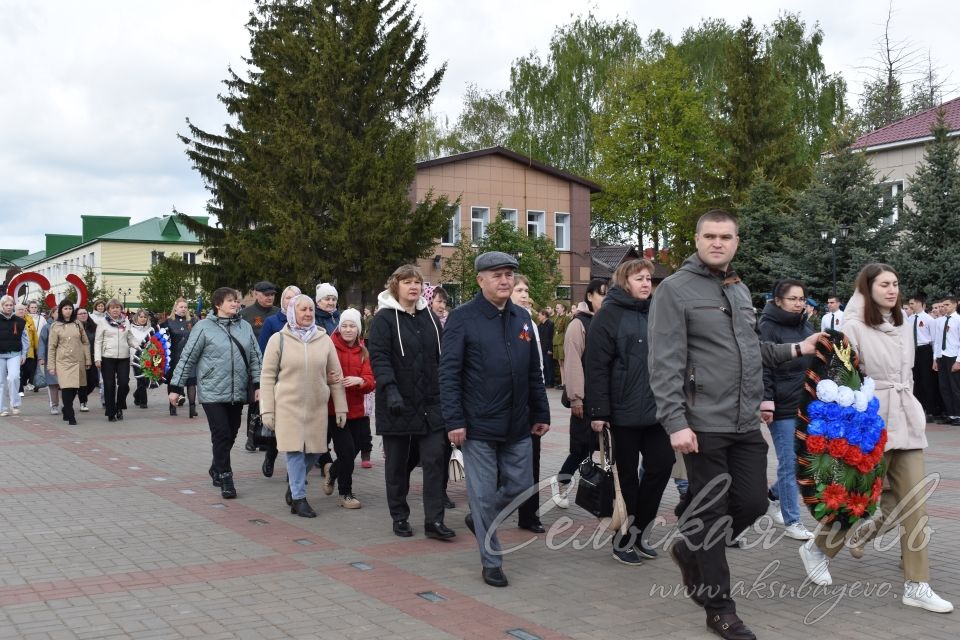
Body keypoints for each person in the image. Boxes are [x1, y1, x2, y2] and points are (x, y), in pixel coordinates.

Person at [648, 209, 822, 640]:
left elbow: (751, 350)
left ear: (736, 242)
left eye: (726, 236)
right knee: (709, 517)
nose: (718, 243)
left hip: (744, 421)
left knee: (752, 504)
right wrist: (675, 422)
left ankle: (689, 548)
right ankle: (719, 608)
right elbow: (663, 362)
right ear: (696, 239)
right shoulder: (674, 290)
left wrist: (798, 347)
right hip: (701, 422)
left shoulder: (738, 288)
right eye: (710, 236)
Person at [798, 263, 954, 614]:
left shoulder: (904, 324)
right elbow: (843, 377)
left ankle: (918, 585)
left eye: (896, 284)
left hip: (907, 419)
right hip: (872, 422)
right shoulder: (852, 326)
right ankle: (818, 548)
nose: (892, 290)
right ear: (867, 289)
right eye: (884, 284)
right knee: (858, 499)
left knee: (916, 504)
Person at [440, 251, 550, 588]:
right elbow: (448, 373)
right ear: (480, 280)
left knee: (520, 487)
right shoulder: (462, 318)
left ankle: (479, 517)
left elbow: (534, 369)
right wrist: (454, 420)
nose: (505, 280)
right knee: (485, 494)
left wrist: (542, 411)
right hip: (478, 425)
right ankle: (492, 561)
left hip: (518, 423)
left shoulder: (520, 317)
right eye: (497, 275)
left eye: (509, 275)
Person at [586, 260, 673, 564]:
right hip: (621, 414)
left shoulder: (657, 314)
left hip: (657, 411)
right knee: (627, 481)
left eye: (649, 278)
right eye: (640, 278)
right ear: (625, 282)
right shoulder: (607, 316)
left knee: (662, 467)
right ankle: (624, 540)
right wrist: (598, 411)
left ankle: (641, 530)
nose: (647, 283)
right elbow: (596, 367)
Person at [368, 264, 452, 541]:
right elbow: (379, 357)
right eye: (407, 282)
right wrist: (390, 388)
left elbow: (442, 357)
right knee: (397, 464)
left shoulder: (429, 316)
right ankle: (399, 516)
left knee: (435, 459)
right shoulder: (383, 319)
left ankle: (434, 520)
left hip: (431, 401)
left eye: (417, 282)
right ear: (396, 285)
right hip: (398, 402)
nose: (413, 286)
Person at [169, 287, 262, 500]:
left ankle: (215, 466)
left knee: (231, 433)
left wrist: (258, 384)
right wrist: (176, 388)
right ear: (218, 304)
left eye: (237, 301)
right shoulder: (203, 327)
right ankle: (226, 477)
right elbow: (188, 357)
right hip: (212, 390)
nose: (235, 304)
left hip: (237, 391)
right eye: (230, 301)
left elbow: (256, 358)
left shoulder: (245, 327)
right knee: (220, 433)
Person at [259, 294, 347, 517]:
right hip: (288, 406)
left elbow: (335, 376)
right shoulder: (278, 339)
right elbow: (267, 377)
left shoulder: (324, 339)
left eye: (310, 309)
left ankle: (294, 486)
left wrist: (340, 407)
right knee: (295, 452)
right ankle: (299, 498)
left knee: (316, 452)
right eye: (302, 310)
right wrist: (267, 410)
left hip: (317, 407)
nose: (308, 313)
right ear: (292, 312)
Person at [757, 279, 815, 541]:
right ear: (778, 300)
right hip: (781, 406)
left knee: (806, 462)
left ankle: (774, 495)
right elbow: (763, 366)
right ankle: (793, 520)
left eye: (801, 299)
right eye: (793, 299)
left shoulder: (806, 326)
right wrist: (766, 401)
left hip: (807, 405)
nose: (799, 303)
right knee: (789, 462)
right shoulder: (767, 327)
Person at [549, 278, 608, 509]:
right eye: (602, 294)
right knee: (582, 447)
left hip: (604, 398)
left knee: (603, 448)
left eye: (608, 293)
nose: (605, 298)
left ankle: (603, 494)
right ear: (590, 295)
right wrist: (576, 397)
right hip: (584, 398)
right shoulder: (578, 324)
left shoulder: (606, 322)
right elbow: (573, 361)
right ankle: (561, 482)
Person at [325, 308, 375, 509]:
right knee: (346, 452)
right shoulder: (329, 347)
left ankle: (333, 473)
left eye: (352, 326)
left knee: (353, 451)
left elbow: (372, 381)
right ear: (339, 327)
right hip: (336, 410)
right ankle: (345, 493)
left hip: (358, 411)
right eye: (344, 325)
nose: (348, 329)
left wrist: (360, 380)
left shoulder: (364, 351)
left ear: (358, 329)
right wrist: (327, 379)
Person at [511, 274, 547, 534]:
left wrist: (541, 407)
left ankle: (529, 514)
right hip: (504, 405)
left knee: (531, 463)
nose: (524, 295)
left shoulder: (530, 323)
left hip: (529, 402)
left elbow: (538, 368)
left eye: (526, 290)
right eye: (519, 290)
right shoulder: (502, 320)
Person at [255, 285, 301, 476]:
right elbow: (264, 352)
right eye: (288, 298)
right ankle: (271, 455)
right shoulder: (273, 321)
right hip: (279, 381)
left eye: (295, 298)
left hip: (300, 382)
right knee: (279, 427)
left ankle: (295, 474)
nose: (291, 301)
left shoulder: (307, 322)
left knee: (298, 428)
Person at [241, 281, 279, 453]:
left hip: (275, 366)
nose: (269, 297)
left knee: (272, 402)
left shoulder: (278, 313)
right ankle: (252, 437)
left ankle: (267, 437)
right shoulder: (245, 314)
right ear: (256, 294)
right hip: (254, 366)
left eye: (272, 294)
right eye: (266, 294)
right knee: (255, 402)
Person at [46, 299, 92, 425]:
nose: (68, 311)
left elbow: (85, 342)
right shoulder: (55, 326)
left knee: (75, 388)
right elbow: (51, 347)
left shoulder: (78, 324)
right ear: (61, 310)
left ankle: (66, 408)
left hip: (78, 360)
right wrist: (51, 366)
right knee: (66, 388)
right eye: (65, 308)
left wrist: (88, 359)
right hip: (63, 362)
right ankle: (71, 415)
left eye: (70, 308)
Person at [95, 299, 135, 422]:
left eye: (118, 307)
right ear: (108, 310)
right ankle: (111, 412)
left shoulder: (126, 321)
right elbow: (98, 341)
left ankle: (120, 406)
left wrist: (141, 346)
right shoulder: (102, 322)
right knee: (109, 385)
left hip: (123, 357)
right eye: (113, 308)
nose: (116, 310)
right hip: (108, 357)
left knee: (124, 384)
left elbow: (130, 338)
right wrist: (97, 358)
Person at [907, 294, 942, 420]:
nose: (910, 306)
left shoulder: (928, 319)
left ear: (920, 304)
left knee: (927, 381)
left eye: (912, 303)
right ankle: (919, 409)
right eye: (910, 303)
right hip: (913, 351)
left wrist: (934, 358)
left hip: (925, 350)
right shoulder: (909, 319)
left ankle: (931, 410)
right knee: (916, 380)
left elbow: (934, 340)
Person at [162, 298, 198, 418]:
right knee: (174, 381)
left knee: (191, 381)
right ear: (176, 308)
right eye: (181, 307)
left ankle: (192, 407)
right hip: (174, 355)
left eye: (185, 307)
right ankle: (172, 406)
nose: (183, 309)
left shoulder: (192, 321)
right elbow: (161, 337)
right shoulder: (168, 322)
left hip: (190, 355)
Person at [932, 296, 960, 425]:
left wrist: (958, 361)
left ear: (954, 305)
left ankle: (958, 415)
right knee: (944, 387)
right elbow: (937, 341)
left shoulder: (958, 320)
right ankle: (951, 414)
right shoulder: (940, 321)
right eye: (943, 305)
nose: (944, 307)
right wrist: (935, 359)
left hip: (953, 356)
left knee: (955, 387)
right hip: (942, 356)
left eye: (947, 305)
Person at [0, 296, 28, 417]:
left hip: (15, 354)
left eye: (11, 305)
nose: (9, 307)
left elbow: (25, 339)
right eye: (6, 305)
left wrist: (24, 354)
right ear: (2, 306)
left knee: (14, 377)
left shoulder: (19, 321)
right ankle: (2, 408)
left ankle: (15, 404)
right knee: (1, 382)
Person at [75, 308, 99, 413]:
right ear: (76, 315)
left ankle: (81, 394)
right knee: (82, 382)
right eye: (80, 314)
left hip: (92, 357)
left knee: (93, 381)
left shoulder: (93, 327)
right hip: (78, 358)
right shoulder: (73, 327)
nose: (83, 315)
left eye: (85, 313)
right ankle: (83, 402)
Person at [128, 310, 153, 409]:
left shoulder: (151, 329)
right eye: (141, 317)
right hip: (135, 357)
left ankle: (137, 395)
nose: (142, 319)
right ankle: (143, 401)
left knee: (144, 379)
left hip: (148, 357)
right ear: (136, 317)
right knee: (141, 378)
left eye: (144, 317)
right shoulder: (131, 329)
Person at [37, 308, 60, 414]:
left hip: (65, 359)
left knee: (65, 383)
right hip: (50, 358)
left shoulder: (67, 325)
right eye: (57, 312)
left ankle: (68, 404)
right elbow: (41, 342)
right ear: (52, 314)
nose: (60, 314)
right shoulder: (47, 327)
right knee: (53, 383)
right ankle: (54, 405)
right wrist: (41, 357)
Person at [15, 304, 37, 396]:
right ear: (15, 311)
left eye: (23, 310)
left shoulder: (29, 320)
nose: (22, 311)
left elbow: (34, 334)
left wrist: (37, 348)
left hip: (30, 350)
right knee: (19, 370)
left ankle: (24, 382)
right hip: (17, 349)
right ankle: (20, 390)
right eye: (20, 309)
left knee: (30, 369)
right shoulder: (13, 320)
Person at [552, 301, 569, 389]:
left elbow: (566, 330)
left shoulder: (566, 318)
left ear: (563, 308)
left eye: (558, 307)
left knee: (564, 363)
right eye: (556, 307)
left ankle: (566, 383)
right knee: (560, 364)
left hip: (562, 342)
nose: (556, 308)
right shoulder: (556, 318)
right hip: (556, 341)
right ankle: (563, 383)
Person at [537, 308, 555, 388]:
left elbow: (551, 337)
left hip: (548, 349)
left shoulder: (550, 324)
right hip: (542, 349)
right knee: (543, 366)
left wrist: (550, 349)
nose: (538, 317)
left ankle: (551, 383)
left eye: (539, 315)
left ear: (544, 315)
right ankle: (546, 382)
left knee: (549, 366)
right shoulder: (539, 325)